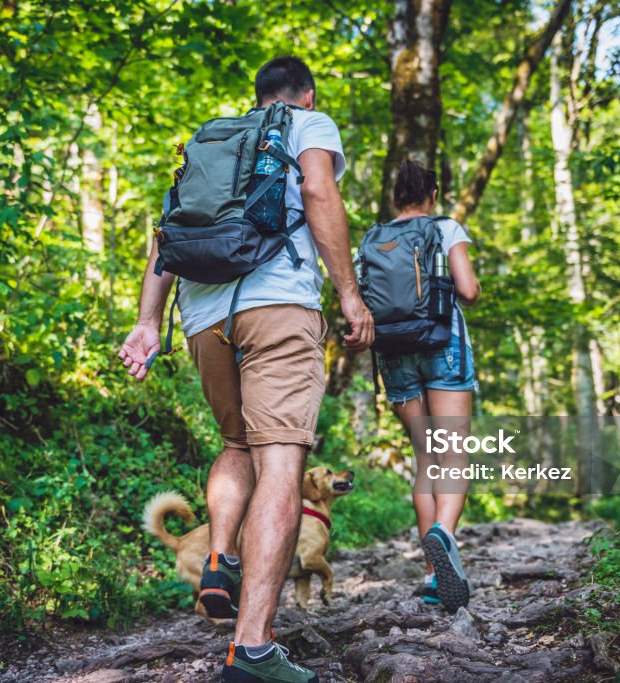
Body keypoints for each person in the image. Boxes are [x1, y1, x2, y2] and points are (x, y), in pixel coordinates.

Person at [119, 56, 373, 683]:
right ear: (305, 95)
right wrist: (348, 292)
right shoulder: (307, 123)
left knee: (236, 442)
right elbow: (318, 191)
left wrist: (148, 322)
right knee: (282, 462)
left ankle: (221, 555)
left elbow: (166, 234)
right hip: (277, 305)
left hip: (203, 315)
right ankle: (253, 649)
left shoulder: (211, 138)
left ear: (253, 96)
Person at [376, 160, 480, 611]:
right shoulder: (445, 227)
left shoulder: (377, 236)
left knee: (425, 460)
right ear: (432, 193)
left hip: (394, 351)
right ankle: (445, 535)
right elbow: (469, 290)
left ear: (396, 196)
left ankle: (434, 574)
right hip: (443, 343)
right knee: (452, 454)